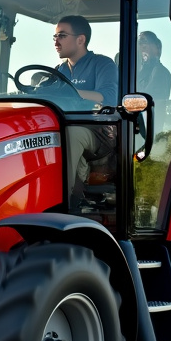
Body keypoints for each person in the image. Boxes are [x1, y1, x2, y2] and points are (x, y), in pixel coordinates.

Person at [44, 15, 118, 209]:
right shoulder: (59, 71)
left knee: (70, 134)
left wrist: (70, 93)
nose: (56, 42)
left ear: (80, 39)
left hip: (98, 131)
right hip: (65, 123)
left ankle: (61, 204)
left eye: (61, 35)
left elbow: (108, 97)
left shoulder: (102, 64)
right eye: (54, 37)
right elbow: (42, 93)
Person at [137, 31, 171, 102]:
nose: (141, 47)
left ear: (157, 49)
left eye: (144, 43)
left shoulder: (160, 72)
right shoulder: (140, 71)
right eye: (139, 43)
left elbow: (148, 99)